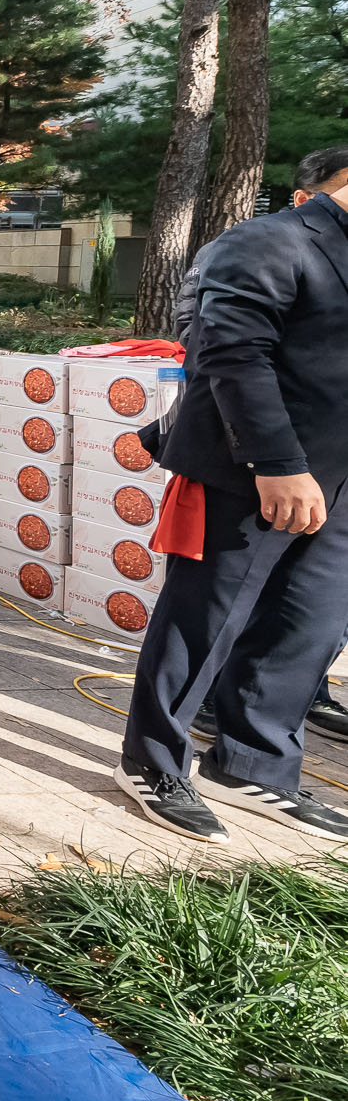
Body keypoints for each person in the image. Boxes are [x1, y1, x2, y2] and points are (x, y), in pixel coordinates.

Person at [119, 145, 348, 842]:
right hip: (257, 472)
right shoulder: (269, 240)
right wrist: (275, 463)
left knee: (308, 625)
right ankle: (154, 761)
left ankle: (255, 765)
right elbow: (228, 351)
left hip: (341, 479)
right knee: (206, 617)